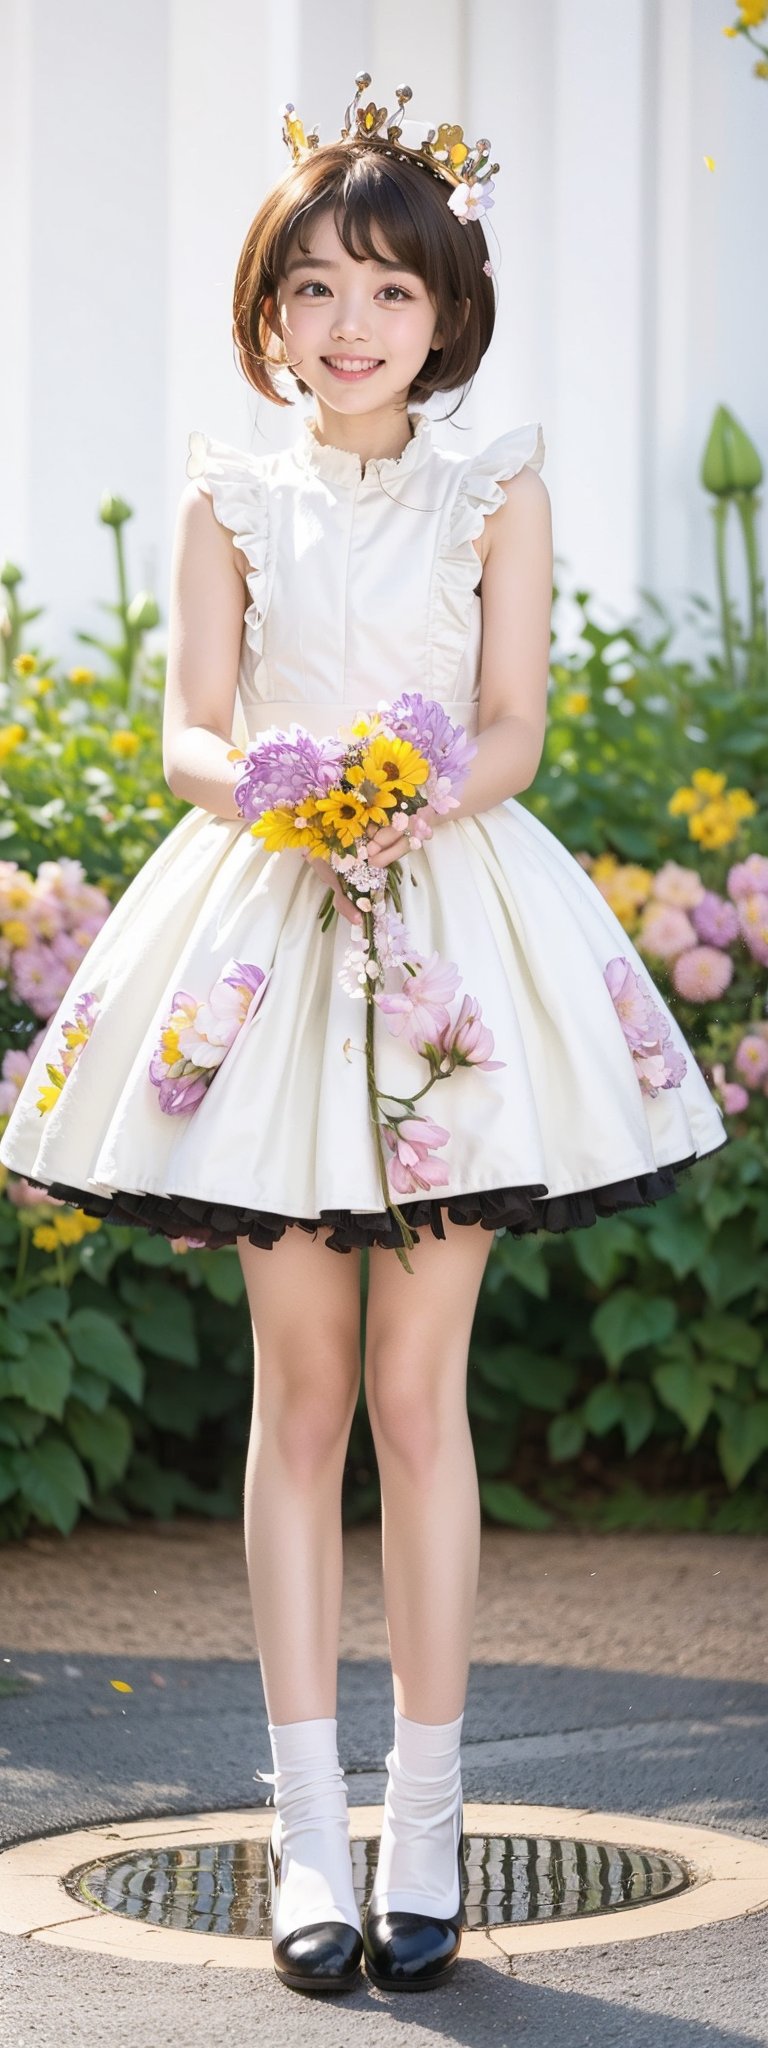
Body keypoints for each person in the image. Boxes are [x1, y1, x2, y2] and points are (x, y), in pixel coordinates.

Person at [0, 71, 728, 1997]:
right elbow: (187, 724)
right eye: (316, 289)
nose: (349, 327)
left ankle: (433, 1817)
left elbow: (517, 723)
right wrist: (270, 787)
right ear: (268, 313)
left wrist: (424, 796)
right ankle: (304, 1829)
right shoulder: (227, 487)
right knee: (299, 1396)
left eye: (389, 295)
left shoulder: (500, 484)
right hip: (263, 924)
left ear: (443, 315)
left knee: (421, 1398)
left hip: (452, 929)